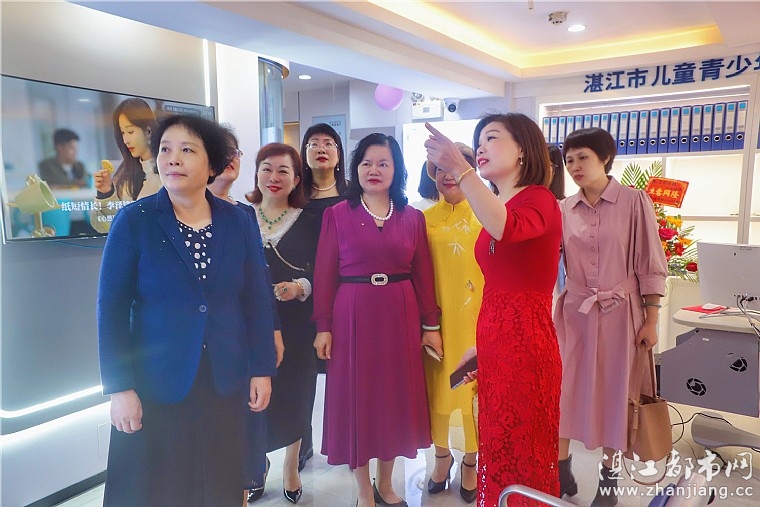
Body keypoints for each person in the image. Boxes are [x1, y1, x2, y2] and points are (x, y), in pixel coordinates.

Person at [97, 114, 276, 506]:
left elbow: (256, 300)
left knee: (220, 484)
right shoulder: (135, 221)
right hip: (156, 384)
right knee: (163, 489)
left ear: (212, 165)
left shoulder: (238, 221)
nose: (173, 159)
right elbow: (110, 309)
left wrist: (261, 368)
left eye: (187, 150)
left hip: (225, 378)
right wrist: (119, 387)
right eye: (165, 149)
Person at [424, 113, 562, 507]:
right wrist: (484, 348)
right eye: (478, 140)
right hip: (497, 343)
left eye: (492, 138)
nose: (481, 147)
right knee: (499, 448)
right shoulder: (500, 203)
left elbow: (507, 228)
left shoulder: (539, 198)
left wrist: (461, 167)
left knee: (523, 454)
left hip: (527, 347)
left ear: (523, 150)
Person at [313, 133, 442, 507]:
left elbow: (423, 275)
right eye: (367, 163)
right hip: (352, 314)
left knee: (392, 400)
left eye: (383, 163)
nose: (374, 170)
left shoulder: (412, 217)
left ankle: (386, 484)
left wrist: (430, 325)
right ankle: (363, 490)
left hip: (400, 313)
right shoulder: (337, 214)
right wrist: (323, 326)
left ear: (396, 169)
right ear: (355, 168)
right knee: (358, 400)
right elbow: (324, 274)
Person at [553, 127, 667, 507]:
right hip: (574, 313)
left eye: (583, 157)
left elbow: (650, 262)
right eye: (569, 160)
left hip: (622, 314)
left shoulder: (634, 201)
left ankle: (608, 480)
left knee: (617, 396)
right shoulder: (562, 209)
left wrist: (651, 320)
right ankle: (561, 469)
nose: (575, 166)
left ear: (605, 158)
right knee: (563, 391)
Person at [207, 129, 283, 504]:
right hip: (199, 349)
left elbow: (259, 281)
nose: (231, 159)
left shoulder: (243, 214)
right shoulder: (173, 212)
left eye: (235, 152)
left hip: (240, 340)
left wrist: (273, 330)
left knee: (241, 433)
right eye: (222, 152)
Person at [247, 142, 319, 504]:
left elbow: (326, 271)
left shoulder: (310, 221)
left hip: (296, 324)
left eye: (283, 171)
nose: (273, 177)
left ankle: (291, 464)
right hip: (250, 324)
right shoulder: (240, 216)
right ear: (257, 173)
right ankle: (255, 465)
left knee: (295, 394)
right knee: (252, 398)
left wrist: (300, 287)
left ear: (296, 179)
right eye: (267, 169)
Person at [422, 143, 482, 503]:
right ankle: (442, 457)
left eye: (454, 166)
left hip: (477, 324)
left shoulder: (488, 214)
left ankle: (472, 460)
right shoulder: (423, 219)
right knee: (439, 391)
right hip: (436, 326)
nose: (447, 175)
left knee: (471, 391)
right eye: (439, 168)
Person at [297, 122, 348, 470]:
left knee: (344, 371)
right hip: (300, 293)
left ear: (339, 155)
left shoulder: (352, 196)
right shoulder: (294, 195)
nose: (321, 148)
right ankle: (300, 442)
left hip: (342, 292)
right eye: (313, 143)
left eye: (328, 143)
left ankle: (350, 442)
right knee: (301, 373)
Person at [91, 97, 160, 232]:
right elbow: (108, 228)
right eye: (122, 132)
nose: (125, 140)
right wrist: (106, 193)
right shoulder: (125, 173)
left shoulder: (169, 172)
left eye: (130, 131)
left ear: (148, 130)